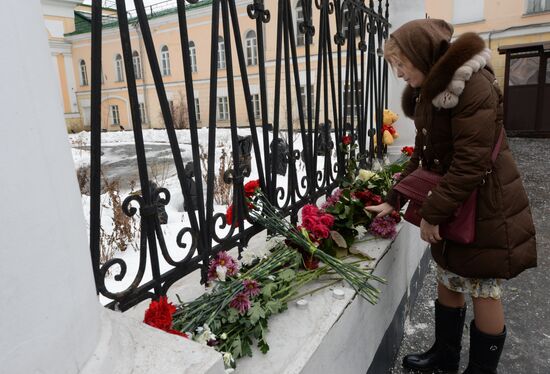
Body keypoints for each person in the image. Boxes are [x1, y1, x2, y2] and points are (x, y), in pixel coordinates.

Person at [366, 19, 537, 373]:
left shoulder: (473, 85)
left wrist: (432, 212)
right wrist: (394, 198)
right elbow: (424, 157)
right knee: (450, 273)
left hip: (485, 203)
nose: (398, 74)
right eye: (392, 66)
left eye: (401, 64)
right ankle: (444, 356)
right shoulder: (432, 89)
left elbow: (471, 163)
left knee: (483, 285)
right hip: (454, 200)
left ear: (421, 54)